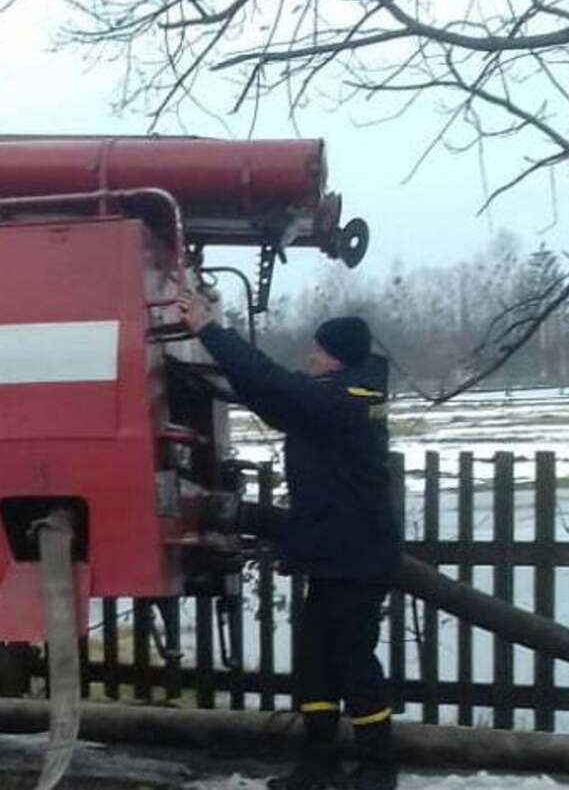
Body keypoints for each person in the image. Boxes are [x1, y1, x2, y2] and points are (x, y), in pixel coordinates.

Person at [180, 289, 400, 790]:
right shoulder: (340, 398)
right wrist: (222, 365)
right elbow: (272, 395)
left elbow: (275, 383)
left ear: (338, 357)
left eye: (319, 350)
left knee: (353, 662)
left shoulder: (345, 403)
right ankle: (317, 765)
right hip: (335, 558)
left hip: (355, 561)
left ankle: (378, 770)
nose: (311, 356)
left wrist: (211, 332)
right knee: (318, 662)